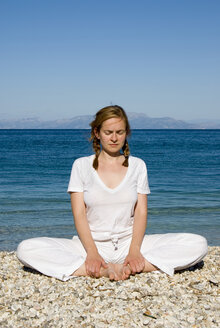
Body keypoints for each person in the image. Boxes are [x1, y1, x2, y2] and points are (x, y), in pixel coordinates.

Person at [17, 105, 208, 281]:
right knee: (26, 249)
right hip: (89, 245)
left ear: (126, 134)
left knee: (198, 243)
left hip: (129, 243)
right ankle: (100, 269)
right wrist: (92, 253)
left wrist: (134, 251)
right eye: (108, 132)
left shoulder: (137, 166)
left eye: (120, 132)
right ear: (97, 133)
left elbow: (141, 212)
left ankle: (133, 266)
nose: (114, 138)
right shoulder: (81, 166)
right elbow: (79, 213)